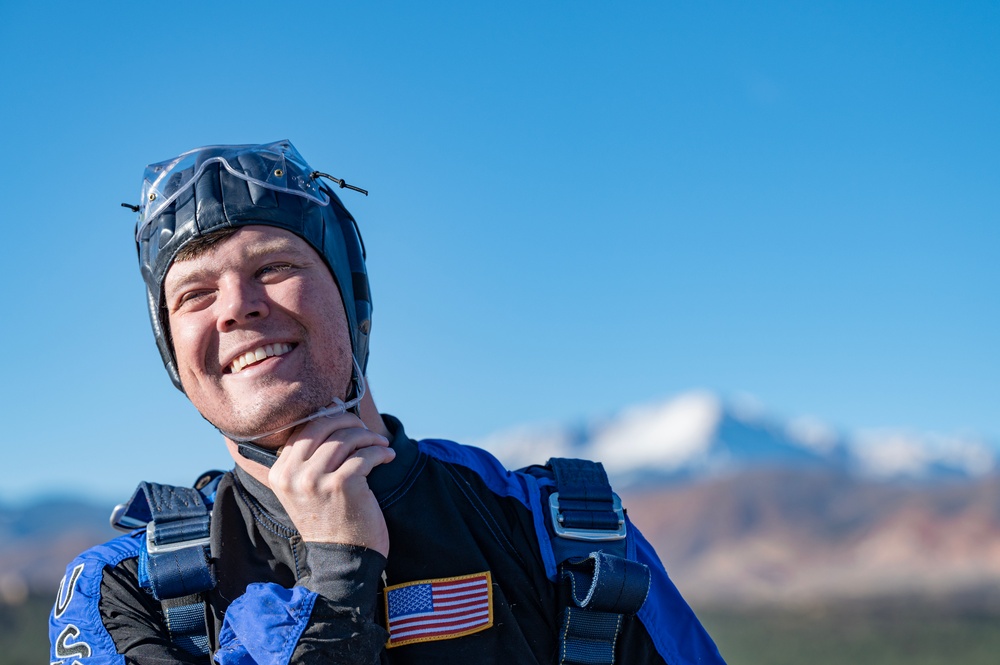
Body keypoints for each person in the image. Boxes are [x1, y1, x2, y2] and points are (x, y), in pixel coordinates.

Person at [49, 141, 726, 664]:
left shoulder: (564, 537)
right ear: (175, 355)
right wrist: (336, 581)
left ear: (353, 303)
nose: (237, 308)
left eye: (275, 267)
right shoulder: (122, 592)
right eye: (194, 294)